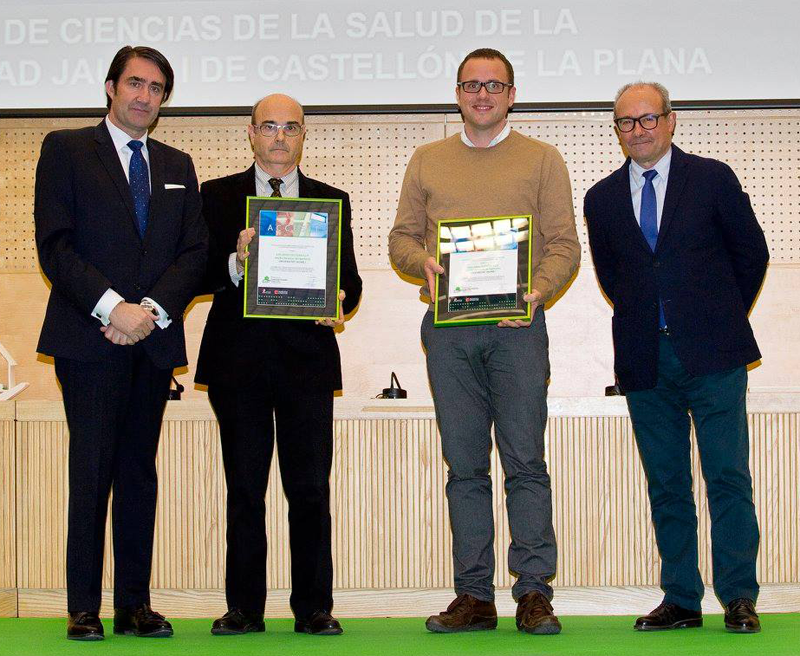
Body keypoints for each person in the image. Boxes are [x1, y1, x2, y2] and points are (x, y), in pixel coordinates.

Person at [388, 48, 580, 635]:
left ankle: (533, 593)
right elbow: (399, 241)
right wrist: (423, 260)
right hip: (449, 334)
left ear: (512, 94)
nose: (482, 94)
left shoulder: (543, 160)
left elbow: (564, 246)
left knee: (525, 462)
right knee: (464, 467)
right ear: (457, 94)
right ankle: (474, 596)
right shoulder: (427, 160)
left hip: (518, 331)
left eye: (494, 85)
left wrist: (537, 293)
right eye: (472, 85)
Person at [34, 45, 208, 640]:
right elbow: (55, 245)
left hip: (151, 342)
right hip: (90, 338)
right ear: (111, 87)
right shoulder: (66, 149)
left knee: (139, 474)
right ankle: (83, 606)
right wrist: (114, 308)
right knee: (91, 471)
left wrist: (150, 312)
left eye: (157, 88)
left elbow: (194, 253)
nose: (144, 96)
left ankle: (135, 604)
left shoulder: (178, 163)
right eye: (135, 83)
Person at [584, 81, 768, 634]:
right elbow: (614, 277)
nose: (637, 130)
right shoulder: (601, 198)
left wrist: (713, 315)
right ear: (616, 131)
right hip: (645, 361)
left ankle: (739, 598)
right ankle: (682, 599)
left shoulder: (712, 178)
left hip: (714, 355)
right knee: (667, 484)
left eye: (647, 119)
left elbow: (751, 255)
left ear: (670, 121)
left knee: (728, 477)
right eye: (625, 122)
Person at [195, 93, 362, 636]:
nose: (280, 137)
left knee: (310, 490)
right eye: (269, 126)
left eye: (291, 127)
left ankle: (313, 608)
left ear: (303, 134)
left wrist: (339, 300)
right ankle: (244, 608)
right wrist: (236, 260)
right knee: (245, 488)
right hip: (237, 365)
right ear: (250, 132)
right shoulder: (216, 198)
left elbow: (351, 283)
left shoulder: (329, 201)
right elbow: (198, 274)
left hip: (306, 367)